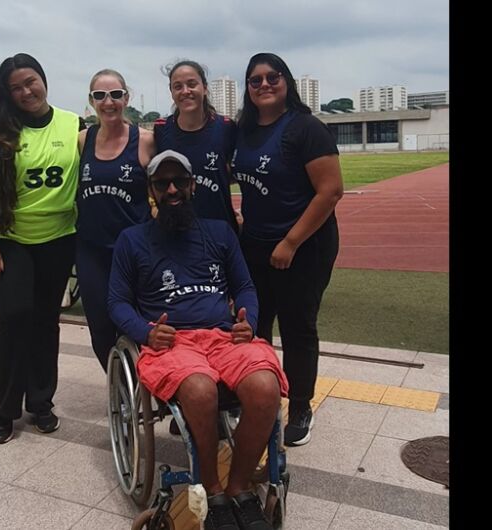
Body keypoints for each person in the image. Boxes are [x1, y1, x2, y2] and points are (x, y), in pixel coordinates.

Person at [108, 150, 288, 530]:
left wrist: (249, 321)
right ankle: (211, 488)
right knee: (201, 390)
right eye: (162, 183)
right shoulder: (131, 240)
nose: (172, 189)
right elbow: (117, 302)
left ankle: (239, 487)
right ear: (152, 190)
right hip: (171, 344)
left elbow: (244, 287)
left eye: (179, 182)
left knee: (265, 386)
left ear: (192, 186)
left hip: (223, 337)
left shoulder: (220, 232)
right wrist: (145, 333)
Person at [0, 53, 82, 443]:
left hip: (58, 239)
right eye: (15, 87)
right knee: (14, 318)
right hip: (8, 241)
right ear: (6, 93)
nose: (25, 91)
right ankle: (6, 408)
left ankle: (41, 402)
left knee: (45, 322)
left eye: (30, 81)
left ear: (44, 79)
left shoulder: (73, 124)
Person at [232, 53, 343, 446]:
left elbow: (330, 191)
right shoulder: (243, 130)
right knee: (254, 326)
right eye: (255, 80)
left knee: (297, 327)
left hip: (304, 246)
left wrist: (290, 242)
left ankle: (299, 406)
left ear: (286, 81)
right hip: (256, 244)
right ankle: (254, 397)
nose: (264, 84)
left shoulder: (305, 128)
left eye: (272, 77)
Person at [76, 69, 156, 372]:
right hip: (91, 249)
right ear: (92, 101)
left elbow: (169, 185)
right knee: (100, 325)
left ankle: (148, 383)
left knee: (137, 322)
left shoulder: (146, 141)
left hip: (134, 250)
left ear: (127, 97)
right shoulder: (84, 140)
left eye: (115, 95)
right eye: (100, 96)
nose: (108, 102)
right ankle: (120, 386)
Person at [154, 60, 238, 232]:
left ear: (205, 88)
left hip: (220, 231)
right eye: (178, 86)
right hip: (175, 233)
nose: (185, 91)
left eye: (192, 84)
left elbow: (238, 173)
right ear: (171, 92)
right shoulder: (161, 129)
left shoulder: (226, 127)